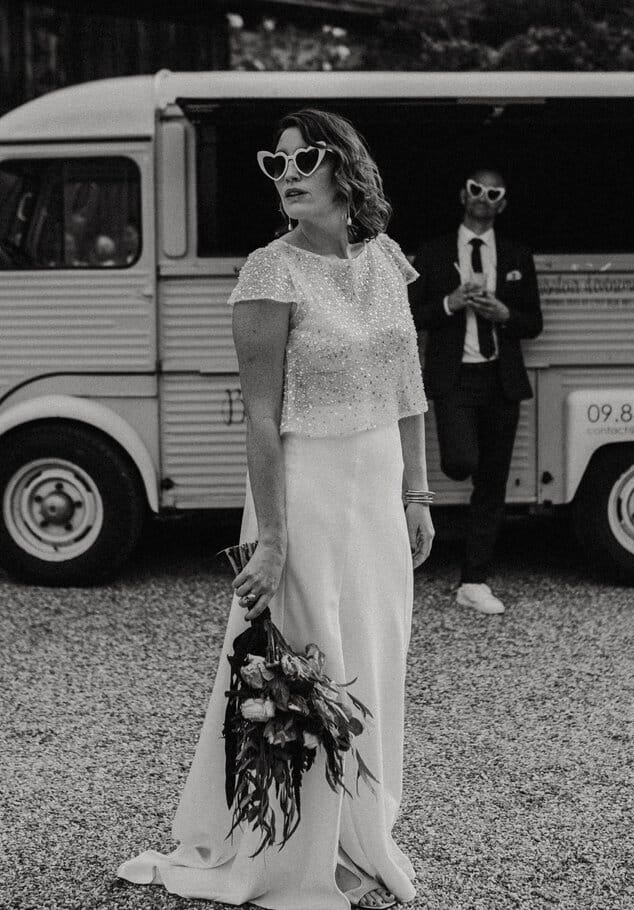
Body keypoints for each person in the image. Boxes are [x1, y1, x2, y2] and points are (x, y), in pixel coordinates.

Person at [118, 109, 434, 910]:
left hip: (377, 488)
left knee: (375, 654)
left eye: (304, 158)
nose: (287, 173)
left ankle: (362, 833)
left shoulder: (386, 260)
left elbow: (407, 390)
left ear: (344, 167)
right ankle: (294, 851)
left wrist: (418, 493)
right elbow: (260, 415)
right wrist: (271, 539)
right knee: (311, 662)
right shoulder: (270, 271)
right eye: (275, 162)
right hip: (308, 491)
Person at [408, 169, 542, 615]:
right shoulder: (433, 252)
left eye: (494, 193)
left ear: (502, 204)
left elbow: (533, 323)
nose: (484, 198)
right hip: (454, 380)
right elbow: (413, 316)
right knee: (461, 461)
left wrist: (504, 312)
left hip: (501, 380)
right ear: (462, 195)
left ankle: (473, 580)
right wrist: (453, 303)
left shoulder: (518, 254)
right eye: (476, 189)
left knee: (492, 483)